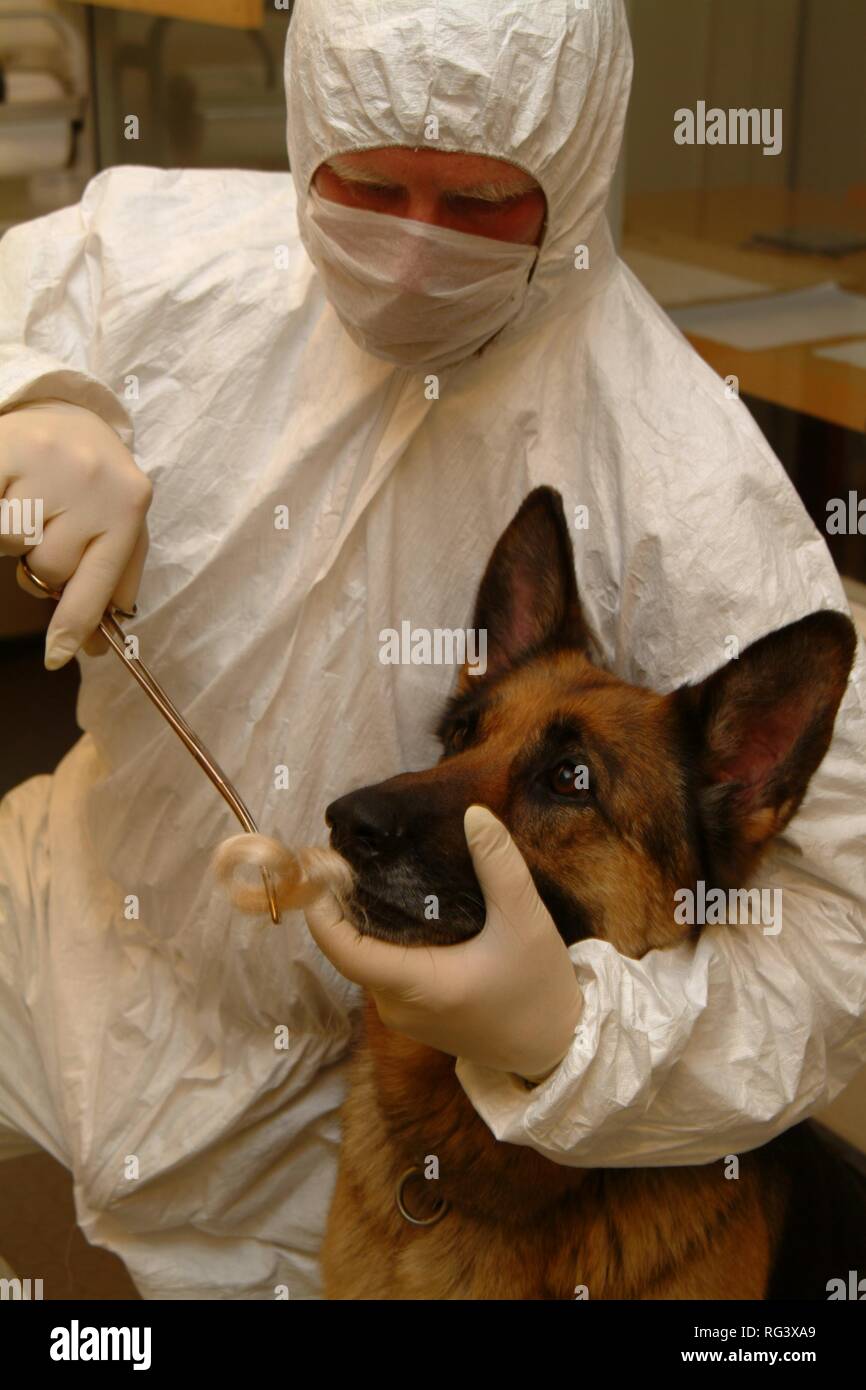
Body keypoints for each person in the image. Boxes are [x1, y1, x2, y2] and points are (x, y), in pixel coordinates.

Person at [0, 0, 863, 1301]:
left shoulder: (683, 477)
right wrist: (29, 399)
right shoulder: (165, 257)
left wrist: (575, 1036)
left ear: (568, 181)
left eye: (473, 203)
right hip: (74, 913)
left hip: (353, 1107)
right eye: (367, 186)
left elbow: (830, 932)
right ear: (309, 146)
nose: (409, 252)